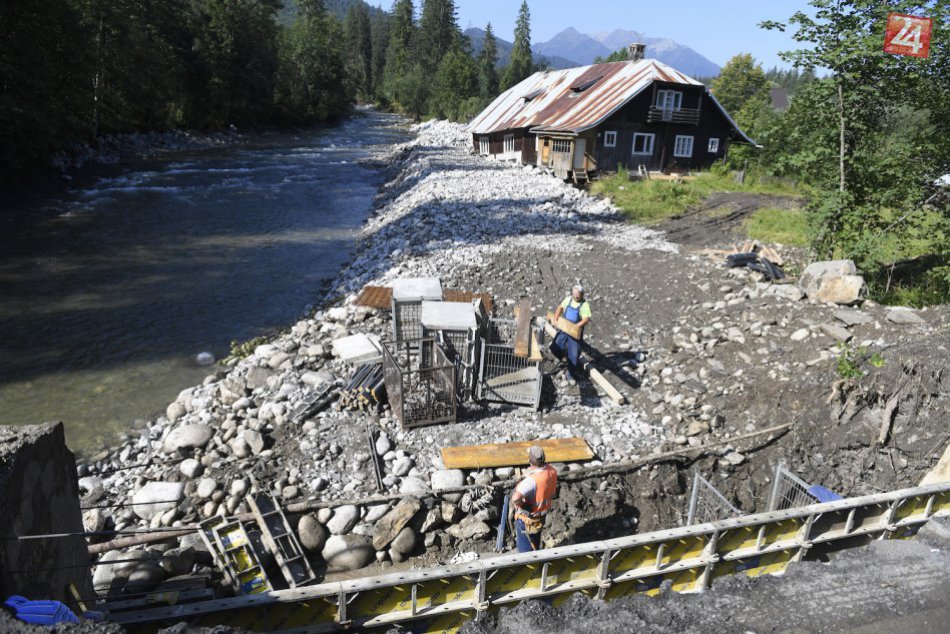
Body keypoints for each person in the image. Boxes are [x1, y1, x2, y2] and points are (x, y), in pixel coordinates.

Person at [511, 445, 558, 552]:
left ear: (530, 461)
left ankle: (527, 565)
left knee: (525, 551)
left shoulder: (532, 481)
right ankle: (536, 558)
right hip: (541, 515)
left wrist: (520, 504)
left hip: (527, 518)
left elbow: (515, 498)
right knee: (535, 542)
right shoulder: (552, 471)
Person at [549, 284, 591, 385]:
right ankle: (563, 357)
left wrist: (576, 326)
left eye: (578, 295)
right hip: (564, 328)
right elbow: (560, 308)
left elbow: (586, 319)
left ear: (582, 295)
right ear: (572, 293)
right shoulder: (568, 299)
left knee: (574, 354)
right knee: (554, 347)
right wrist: (555, 318)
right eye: (575, 294)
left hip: (575, 333)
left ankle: (570, 374)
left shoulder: (585, 305)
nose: (576, 296)